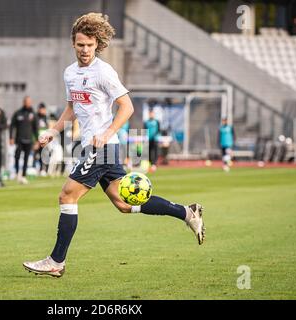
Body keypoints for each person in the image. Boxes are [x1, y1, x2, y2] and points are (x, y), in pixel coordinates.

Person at [23, 13, 205, 278]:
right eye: (80, 45)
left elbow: (127, 106)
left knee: (67, 195)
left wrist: (107, 133)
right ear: (73, 44)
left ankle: (56, 261)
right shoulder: (70, 73)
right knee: (122, 203)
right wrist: (53, 130)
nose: (85, 50)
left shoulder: (104, 72)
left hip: (103, 147)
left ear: (97, 44)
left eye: (89, 45)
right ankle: (187, 213)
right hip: (90, 146)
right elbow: (72, 108)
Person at [9, 96, 38, 184]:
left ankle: (23, 176)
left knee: (26, 158)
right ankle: (17, 173)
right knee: (17, 156)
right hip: (19, 139)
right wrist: (11, 137)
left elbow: (35, 128)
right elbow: (12, 126)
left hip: (29, 140)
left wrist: (37, 140)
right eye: (26, 101)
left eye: (29, 102)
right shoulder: (18, 113)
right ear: (24, 102)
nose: (28, 103)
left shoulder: (33, 114)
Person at [35, 103, 49, 176]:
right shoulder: (36, 117)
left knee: (43, 154)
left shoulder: (45, 117)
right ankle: (34, 169)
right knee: (35, 155)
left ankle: (43, 169)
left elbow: (47, 128)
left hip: (44, 139)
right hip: (37, 139)